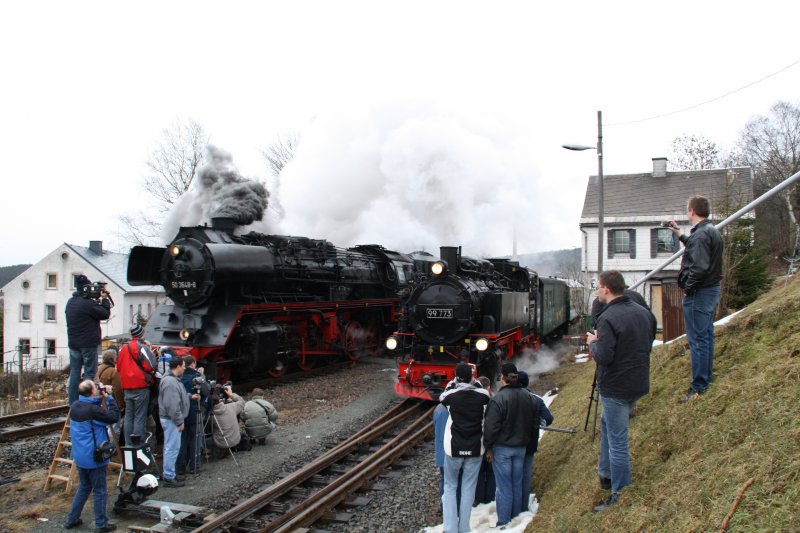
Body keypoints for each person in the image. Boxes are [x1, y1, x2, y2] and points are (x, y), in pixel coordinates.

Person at [586, 270, 657, 512]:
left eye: (598, 286)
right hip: (638, 381)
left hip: (616, 386)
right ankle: (605, 474)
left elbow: (604, 356)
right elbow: (648, 341)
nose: (596, 290)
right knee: (607, 423)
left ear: (606, 288)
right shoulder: (643, 313)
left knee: (618, 441)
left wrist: (592, 343)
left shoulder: (607, 318)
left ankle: (619, 492)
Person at [667, 195, 723, 401]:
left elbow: (699, 267)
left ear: (691, 211)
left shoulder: (701, 235)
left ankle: (699, 386)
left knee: (697, 340)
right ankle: (705, 379)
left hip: (699, 293)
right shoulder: (709, 231)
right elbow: (696, 248)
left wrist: (688, 289)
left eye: (687, 209)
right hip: (710, 290)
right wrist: (679, 234)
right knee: (705, 336)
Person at [483, 362, 539, 527]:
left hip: (502, 448)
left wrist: (488, 446)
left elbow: (491, 427)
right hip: (521, 447)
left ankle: (504, 522)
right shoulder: (528, 396)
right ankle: (516, 519)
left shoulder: (498, 399)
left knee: (503, 487)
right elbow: (533, 422)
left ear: (503, 378)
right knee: (516, 483)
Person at [439, 363, 490, 533]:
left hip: (453, 448)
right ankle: (464, 528)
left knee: (450, 487)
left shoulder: (450, 397)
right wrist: (472, 379)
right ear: (472, 377)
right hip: (475, 448)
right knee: (469, 488)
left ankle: (450, 528)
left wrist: (457, 380)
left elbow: (443, 394)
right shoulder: (483, 396)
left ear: (457, 378)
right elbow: (480, 388)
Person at [64, 379, 119, 532]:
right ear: (92, 392)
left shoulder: (75, 406)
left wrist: (99, 397)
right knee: (100, 491)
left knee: (84, 487)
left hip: (80, 456)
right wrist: (108, 397)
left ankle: (72, 519)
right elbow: (113, 417)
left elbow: (91, 407)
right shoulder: (93, 411)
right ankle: (101, 524)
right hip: (95, 458)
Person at [65, 275, 112, 405]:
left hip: (73, 343)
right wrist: (104, 299)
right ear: (86, 288)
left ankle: (73, 402)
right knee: (89, 373)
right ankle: (86, 401)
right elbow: (104, 314)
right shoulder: (88, 304)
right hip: (88, 344)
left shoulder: (70, 302)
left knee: (74, 372)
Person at [517, 370, 554, 513]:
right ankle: (522, 507)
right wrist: (539, 423)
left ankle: (511, 510)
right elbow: (548, 418)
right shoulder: (536, 399)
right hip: (530, 442)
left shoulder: (505, 397)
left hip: (510, 443)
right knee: (526, 475)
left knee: (511, 477)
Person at [159, 357, 196, 487]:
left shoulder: (173, 380)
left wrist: (190, 397)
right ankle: (169, 476)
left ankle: (171, 474)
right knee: (172, 448)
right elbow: (172, 405)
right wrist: (179, 421)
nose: (185, 368)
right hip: (171, 420)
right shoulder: (170, 382)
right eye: (184, 366)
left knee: (172, 447)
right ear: (178, 366)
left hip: (171, 419)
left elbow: (178, 397)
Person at [116, 324, 157, 445]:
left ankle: (128, 444)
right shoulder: (141, 347)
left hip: (127, 387)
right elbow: (150, 365)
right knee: (140, 416)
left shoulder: (124, 349)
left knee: (129, 416)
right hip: (140, 386)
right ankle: (137, 444)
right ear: (142, 334)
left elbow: (118, 367)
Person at [178, 355, 210, 475]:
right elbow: (206, 391)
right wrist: (202, 377)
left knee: (181, 441)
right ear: (192, 364)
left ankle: (180, 467)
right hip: (194, 412)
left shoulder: (178, 378)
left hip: (181, 414)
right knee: (195, 440)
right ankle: (195, 465)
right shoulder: (196, 377)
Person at [472, 376, 495, 507]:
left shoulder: (474, 402)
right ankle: (490, 497)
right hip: (489, 441)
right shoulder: (495, 400)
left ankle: (479, 498)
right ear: (489, 387)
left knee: (479, 471)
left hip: (478, 441)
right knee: (490, 471)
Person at [209, 384, 245, 459]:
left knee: (205, 439)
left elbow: (211, 430)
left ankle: (219, 451)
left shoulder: (211, 414)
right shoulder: (231, 407)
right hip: (235, 439)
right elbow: (242, 402)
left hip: (221, 443)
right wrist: (231, 394)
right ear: (220, 399)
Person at [96, 349, 124, 438]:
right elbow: (118, 390)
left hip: (98, 402)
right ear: (113, 360)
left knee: (102, 425)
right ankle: (111, 448)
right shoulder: (113, 371)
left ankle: (102, 444)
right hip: (110, 402)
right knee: (114, 428)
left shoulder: (97, 368)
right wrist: (121, 405)